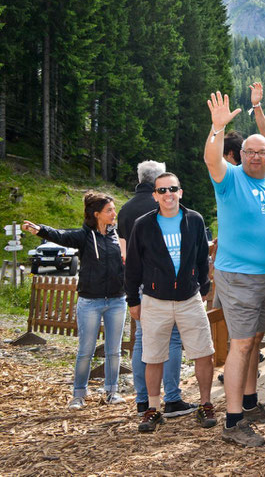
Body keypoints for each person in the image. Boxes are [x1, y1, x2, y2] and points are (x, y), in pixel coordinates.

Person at [204, 91, 265, 447]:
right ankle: (233, 421)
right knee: (240, 345)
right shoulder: (230, 179)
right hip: (238, 277)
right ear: (240, 156)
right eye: (249, 152)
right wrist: (217, 128)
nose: (256, 157)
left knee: (256, 340)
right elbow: (211, 159)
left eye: (262, 152)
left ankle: (251, 404)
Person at [124, 173, 217, 432]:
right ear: (154, 195)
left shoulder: (194, 220)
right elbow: (132, 264)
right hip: (155, 300)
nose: (168, 194)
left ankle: (205, 404)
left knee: (203, 352)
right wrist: (133, 299)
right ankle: (153, 409)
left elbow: (202, 258)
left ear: (181, 192)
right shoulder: (143, 224)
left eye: (172, 189)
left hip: (189, 298)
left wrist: (203, 287)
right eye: (162, 190)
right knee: (153, 356)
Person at [23, 192, 126, 409]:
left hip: (117, 300)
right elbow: (61, 236)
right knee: (85, 350)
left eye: (113, 210)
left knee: (113, 350)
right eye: (109, 210)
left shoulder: (117, 236)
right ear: (97, 214)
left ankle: (112, 391)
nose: (114, 213)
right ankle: (78, 395)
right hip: (90, 302)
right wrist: (40, 229)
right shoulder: (84, 236)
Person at [118, 161, 194, 418]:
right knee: (171, 340)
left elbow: (124, 253)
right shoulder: (161, 207)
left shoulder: (126, 209)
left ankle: (143, 400)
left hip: (138, 281)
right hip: (160, 286)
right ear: (155, 187)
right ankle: (171, 397)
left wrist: (131, 294)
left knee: (144, 342)